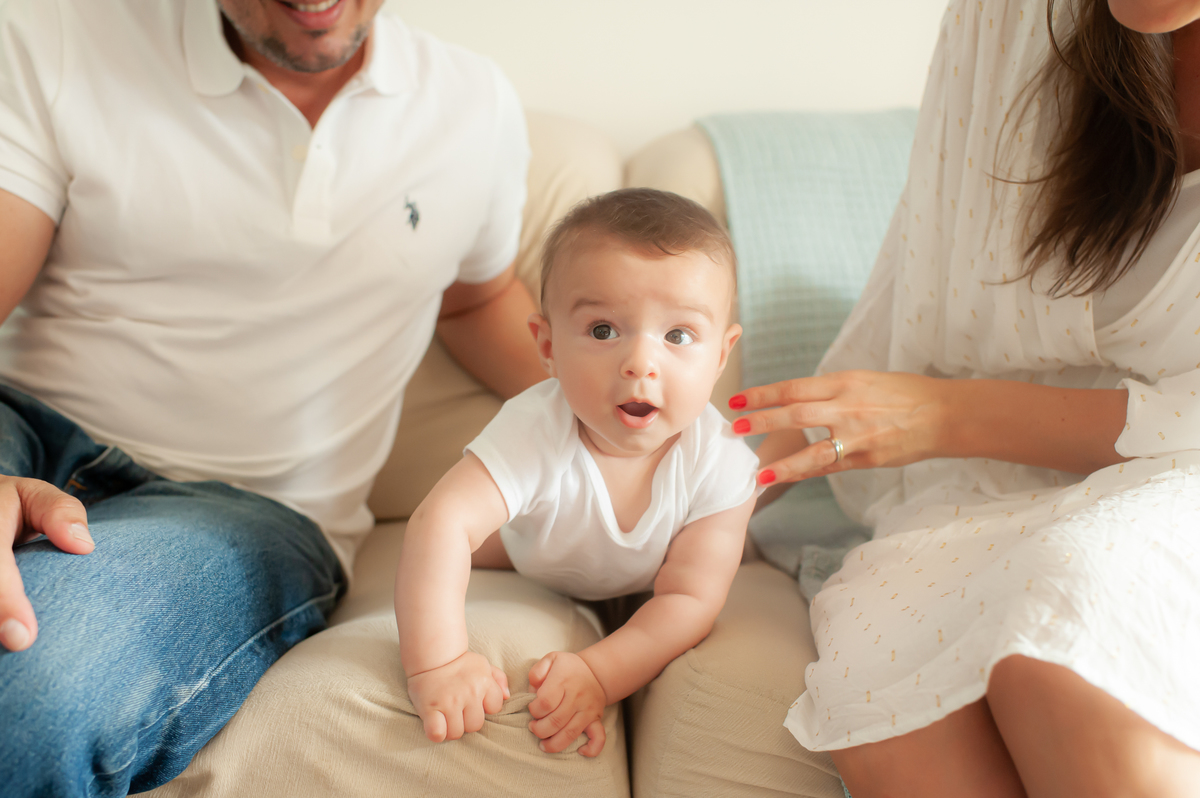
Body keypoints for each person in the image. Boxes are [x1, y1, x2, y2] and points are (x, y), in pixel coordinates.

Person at [0, 0, 546, 793]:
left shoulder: (474, 104)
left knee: (30, 692)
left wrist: (658, 425)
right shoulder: (57, 36)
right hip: (21, 426)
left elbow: (475, 299)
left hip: (238, 509)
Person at [727, 0, 1200, 795]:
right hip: (973, 488)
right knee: (886, 684)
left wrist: (945, 415)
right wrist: (717, 497)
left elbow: (922, 403)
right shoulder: (1007, 17)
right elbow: (910, 302)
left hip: (1174, 486)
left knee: (1059, 635)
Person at [394, 189, 759, 757]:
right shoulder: (536, 428)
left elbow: (689, 600)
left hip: (658, 569)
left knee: (733, 535)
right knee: (458, 536)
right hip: (529, 550)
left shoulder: (721, 462)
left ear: (720, 356)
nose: (641, 362)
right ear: (548, 346)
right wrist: (438, 665)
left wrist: (598, 673)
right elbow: (439, 523)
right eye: (603, 331)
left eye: (678, 336)